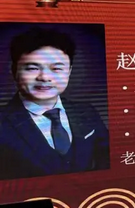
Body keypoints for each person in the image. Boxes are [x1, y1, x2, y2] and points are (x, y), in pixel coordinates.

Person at [0, 27, 109, 180]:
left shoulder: (87, 112)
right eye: (32, 68)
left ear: (69, 71)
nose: (45, 77)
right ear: (14, 71)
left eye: (56, 68)